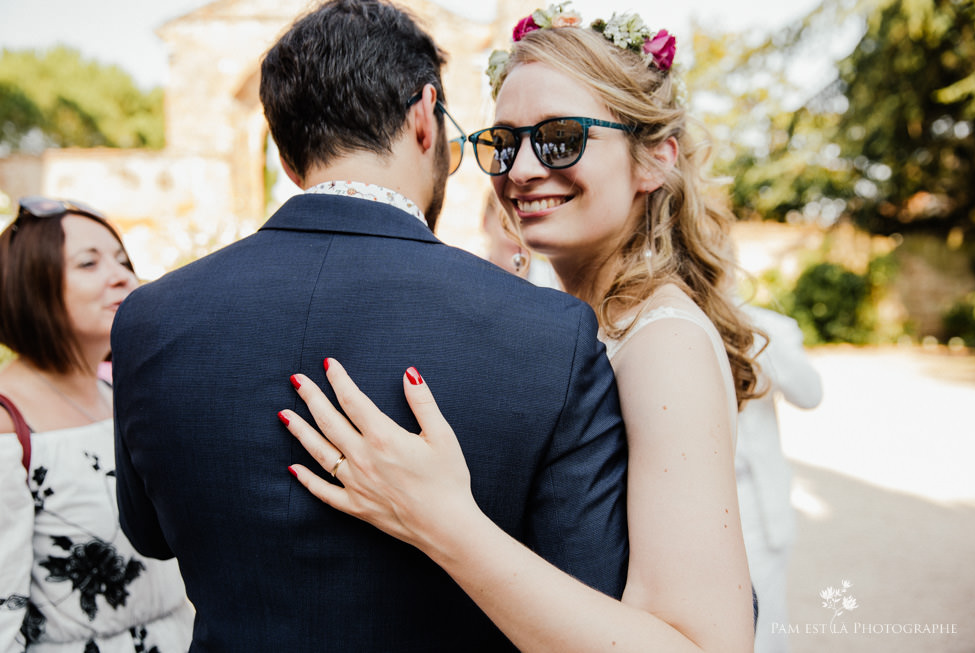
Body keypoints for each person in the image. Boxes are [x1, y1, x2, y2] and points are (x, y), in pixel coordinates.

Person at [109, 1, 628, 651]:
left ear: (285, 154)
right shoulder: (550, 332)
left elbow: (148, 532)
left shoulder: (148, 318)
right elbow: (593, 588)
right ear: (422, 117)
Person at [282, 4, 763, 652]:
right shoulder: (574, 319)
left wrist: (443, 520)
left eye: (561, 137)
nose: (522, 169)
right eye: (503, 142)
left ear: (654, 159)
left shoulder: (662, 341)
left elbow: (700, 645)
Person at [0, 197, 192, 652]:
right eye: (89, 263)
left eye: (123, 259)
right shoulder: (8, 425)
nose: (122, 275)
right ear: (29, 285)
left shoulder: (122, 395)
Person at [735, 305, 822, 652]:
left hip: (752, 500)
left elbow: (810, 394)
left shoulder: (769, 325)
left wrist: (746, 329)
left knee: (764, 625)